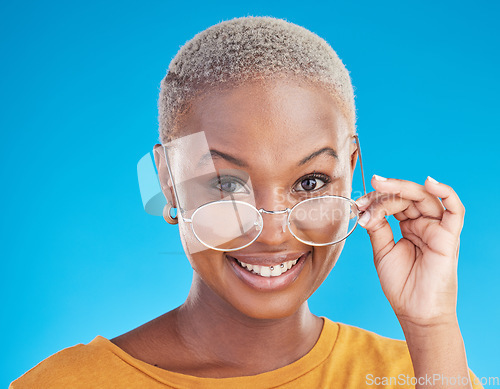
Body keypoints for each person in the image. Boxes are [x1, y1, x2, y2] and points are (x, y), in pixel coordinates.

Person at [10, 16, 483, 389]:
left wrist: (432, 326)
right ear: (169, 181)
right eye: (227, 185)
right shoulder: (66, 384)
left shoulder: (424, 372)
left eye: (312, 181)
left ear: (352, 171)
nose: (274, 233)